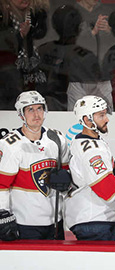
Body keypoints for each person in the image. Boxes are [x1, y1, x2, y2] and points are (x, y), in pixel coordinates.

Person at [0, 91, 70, 240]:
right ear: (21, 114)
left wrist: (67, 182)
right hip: (24, 223)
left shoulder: (57, 139)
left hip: (55, 222)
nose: (36, 114)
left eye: (39, 108)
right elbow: (2, 185)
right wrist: (2, 213)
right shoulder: (10, 144)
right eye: (30, 109)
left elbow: (67, 177)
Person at [64, 95, 115, 241]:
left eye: (105, 114)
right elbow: (108, 190)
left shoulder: (91, 142)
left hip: (97, 218)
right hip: (94, 221)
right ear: (86, 120)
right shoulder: (91, 151)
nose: (107, 119)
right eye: (101, 115)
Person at [37, 5, 108, 111]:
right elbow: (96, 93)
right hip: (75, 112)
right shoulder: (86, 57)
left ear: (54, 25)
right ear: (79, 27)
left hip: (44, 111)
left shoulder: (42, 50)